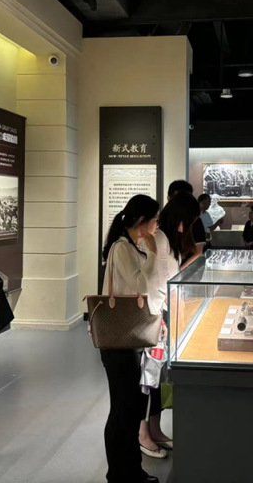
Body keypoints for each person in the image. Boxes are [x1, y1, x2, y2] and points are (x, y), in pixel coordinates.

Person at [101, 195, 162, 483]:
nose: (157, 225)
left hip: (130, 338)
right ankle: (119, 474)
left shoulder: (130, 247)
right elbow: (140, 285)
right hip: (120, 342)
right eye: (155, 219)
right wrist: (153, 255)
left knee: (131, 408)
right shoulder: (122, 248)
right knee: (122, 409)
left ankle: (132, 471)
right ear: (142, 221)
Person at [138, 192, 200, 460]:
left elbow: (169, 277)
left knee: (157, 378)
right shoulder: (160, 239)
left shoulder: (168, 240)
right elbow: (159, 281)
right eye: (189, 220)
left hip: (161, 316)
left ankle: (154, 429)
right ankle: (143, 433)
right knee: (148, 378)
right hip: (154, 318)